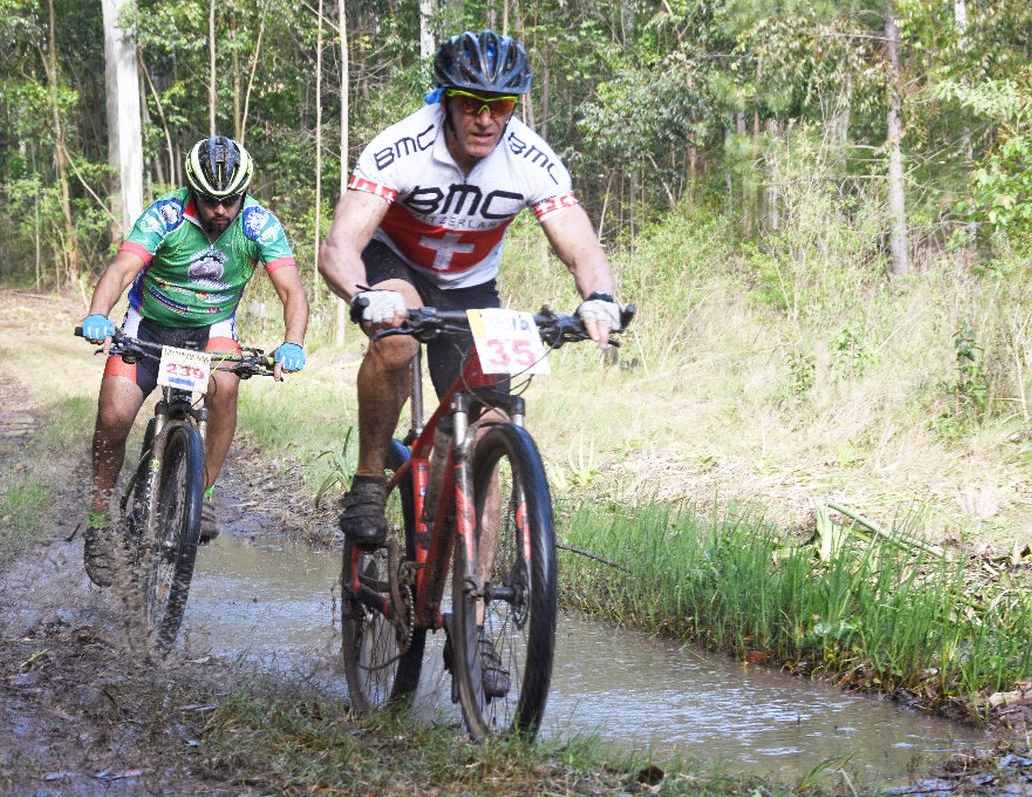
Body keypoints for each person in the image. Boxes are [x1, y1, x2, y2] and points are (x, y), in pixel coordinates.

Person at [319, 29, 624, 548]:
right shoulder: (403, 146)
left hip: (471, 288)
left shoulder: (532, 159)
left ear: (512, 107)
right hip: (395, 264)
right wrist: (364, 295)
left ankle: (471, 617)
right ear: (447, 101)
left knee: (486, 430)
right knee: (397, 338)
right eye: (471, 104)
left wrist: (599, 298)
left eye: (500, 105)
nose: (485, 119)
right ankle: (370, 480)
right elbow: (340, 245)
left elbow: (581, 246)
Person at [78, 135, 309, 587]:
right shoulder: (165, 215)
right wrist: (97, 314)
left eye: (230, 200)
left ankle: (200, 496)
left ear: (243, 193)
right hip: (148, 325)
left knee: (226, 384)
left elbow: (292, 289)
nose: (221, 210)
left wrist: (293, 341)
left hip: (212, 330)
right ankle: (100, 514)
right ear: (191, 190)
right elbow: (122, 268)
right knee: (114, 414)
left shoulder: (259, 224)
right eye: (210, 200)